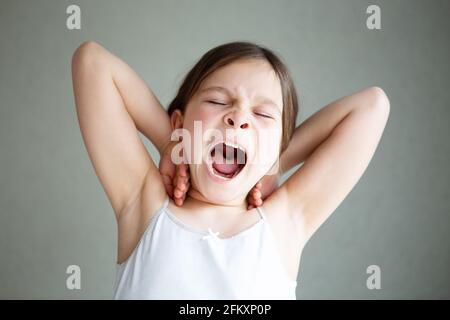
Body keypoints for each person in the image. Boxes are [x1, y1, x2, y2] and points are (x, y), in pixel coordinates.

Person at [71, 40, 390, 299]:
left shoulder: (283, 222)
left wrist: (270, 162)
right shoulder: (145, 206)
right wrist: (174, 144)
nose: (238, 117)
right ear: (181, 122)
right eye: (218, 102)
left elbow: (372, 106)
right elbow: (92, 63)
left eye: (263, 115)